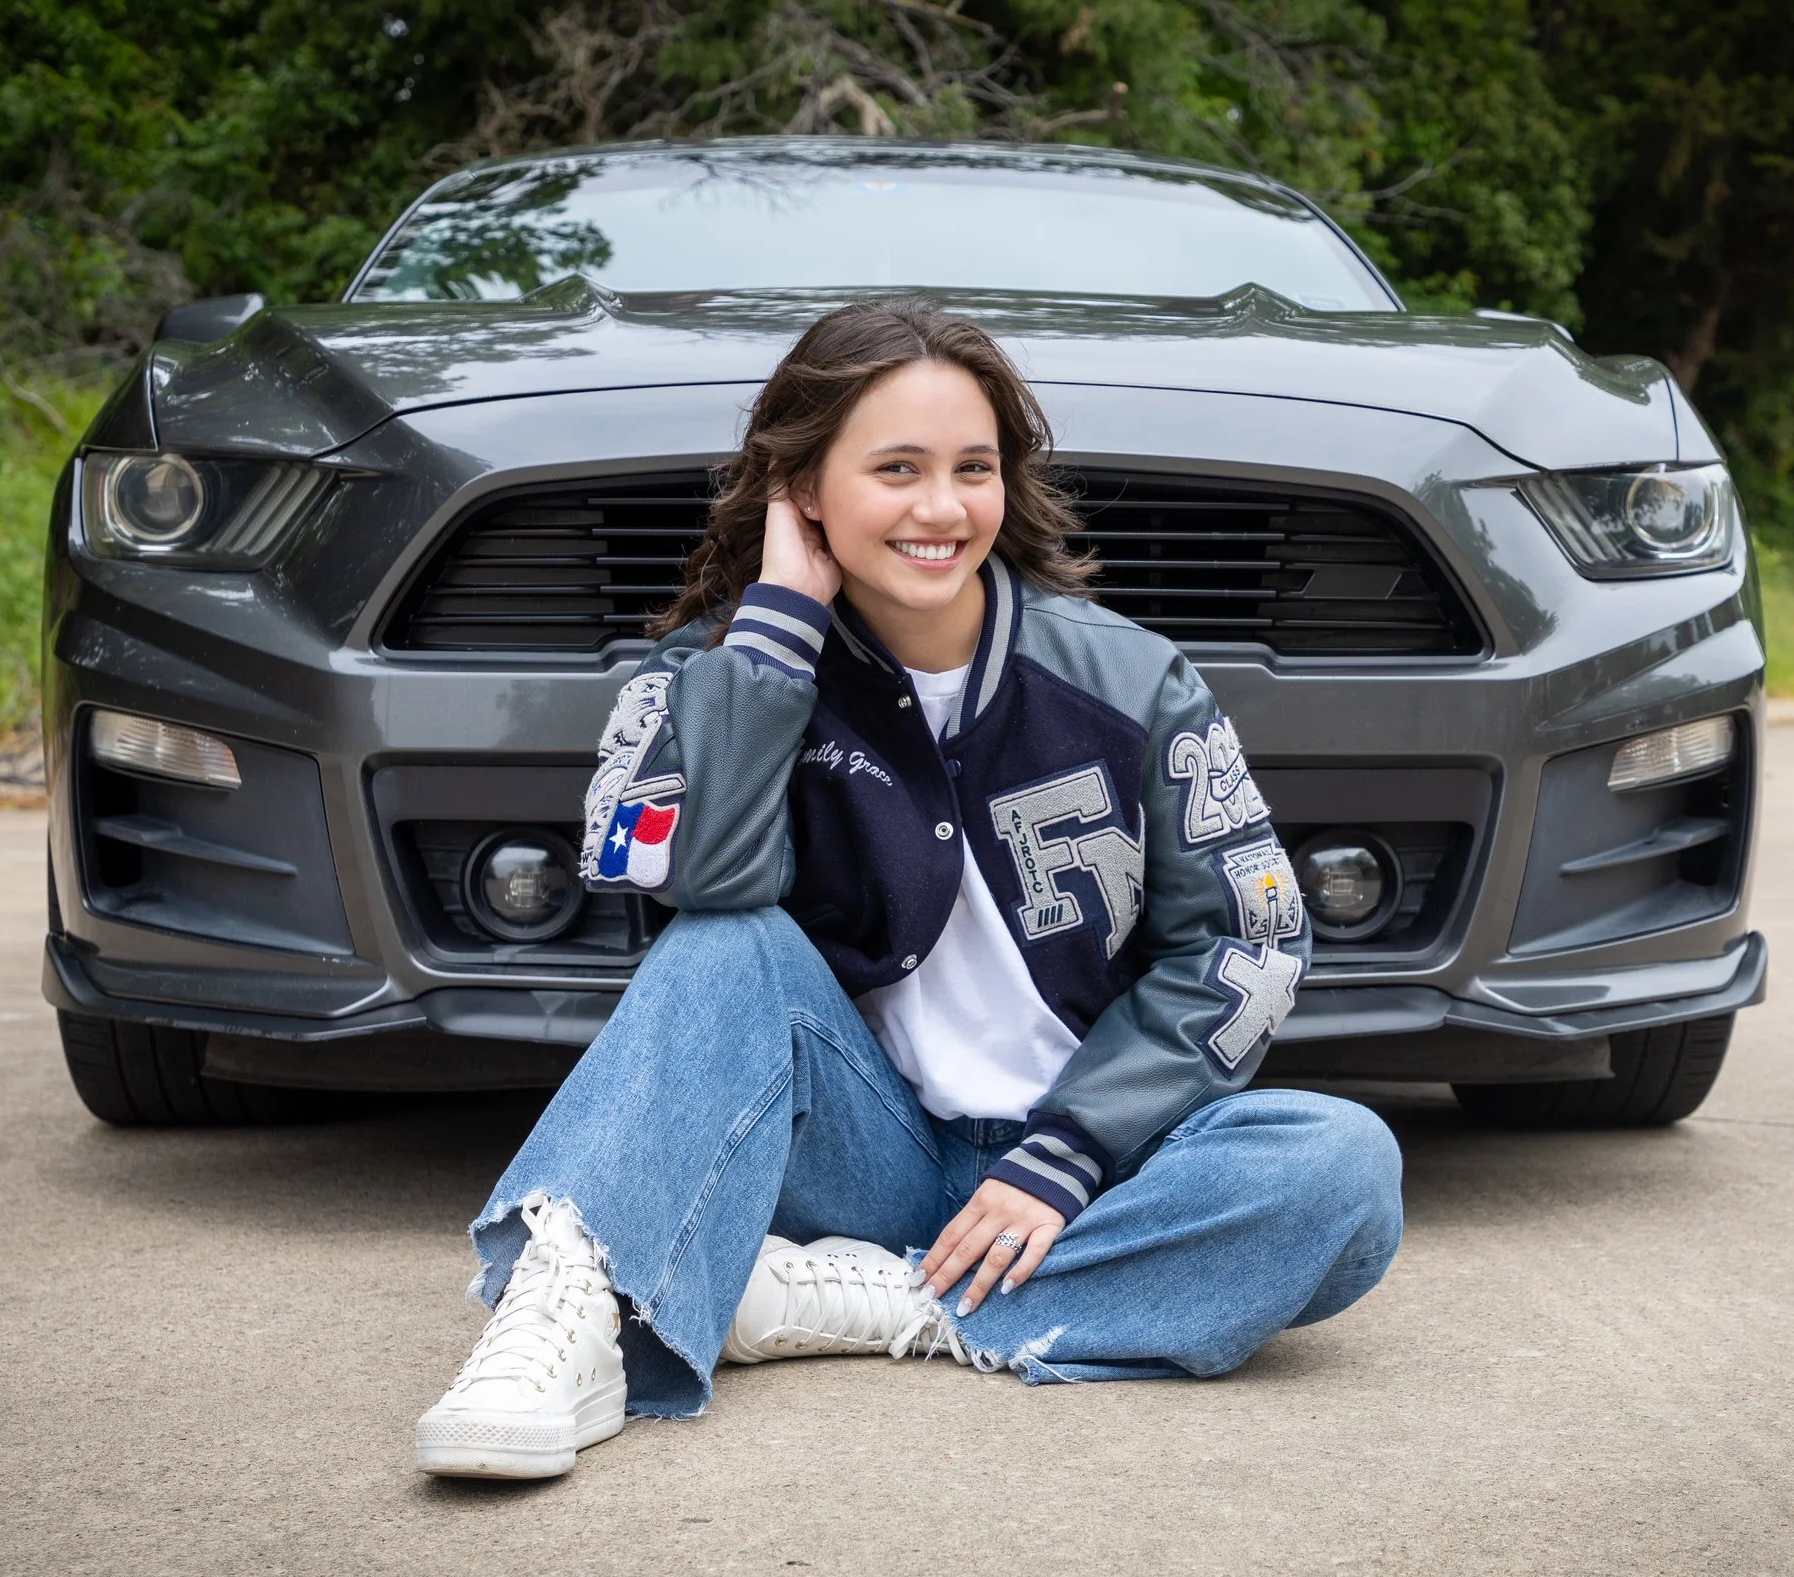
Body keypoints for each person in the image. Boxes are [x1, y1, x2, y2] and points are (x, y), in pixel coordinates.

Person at [415, 301, 1404, 1480]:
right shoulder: (698, 677)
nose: (941, 509)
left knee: (1341, 1170)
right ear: (803, 489)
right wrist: (779, 628)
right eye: (895, 469)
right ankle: (563, 1305)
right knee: (725, 944)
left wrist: (1072, 1146)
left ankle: (869, 1301)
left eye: (971, 469)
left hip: (1087, 1170)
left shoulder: (1133, 678)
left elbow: (1248, 937)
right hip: (851, 1151)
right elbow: (701, 881)